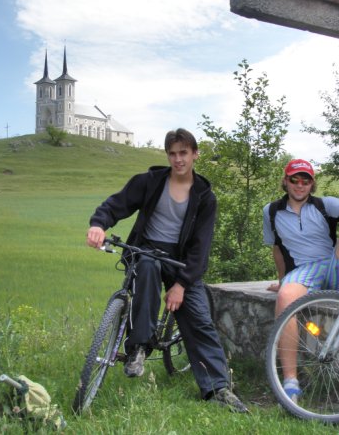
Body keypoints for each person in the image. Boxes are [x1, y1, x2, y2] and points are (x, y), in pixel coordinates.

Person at [86, 128, 247, 412]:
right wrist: (99, 224)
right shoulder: (149, 182)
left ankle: (218, 388)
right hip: (147, 249)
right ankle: (138, 347)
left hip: (182, 262)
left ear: (195, 154)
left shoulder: (204, 197)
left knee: (199, 320)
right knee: (146, 268)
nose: (178, 159)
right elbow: (116, 204)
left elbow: (200, 247)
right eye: (172, 154)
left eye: (184, 153)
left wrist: (181, 285)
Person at [263, 158, 339, 402]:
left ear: (312, 184)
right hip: (304, 270)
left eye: (305, 181)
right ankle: (290, 381)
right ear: (285, 181)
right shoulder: (271, 211)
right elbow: (277, 248)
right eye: (294, 180)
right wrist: (283, 280)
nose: (300, 185)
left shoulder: (323, 204)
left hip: (333, 263)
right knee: (285, 296)